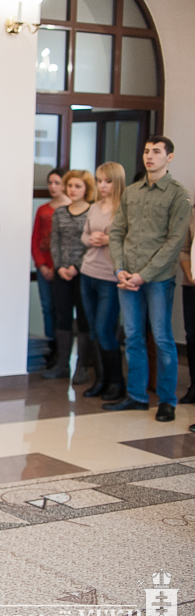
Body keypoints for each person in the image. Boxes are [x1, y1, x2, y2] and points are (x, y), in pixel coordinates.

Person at [105, 136, 192, 421]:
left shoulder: (178, 194)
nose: (149, 156)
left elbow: (174, 242)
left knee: (163, 338)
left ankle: (167, 401)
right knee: (132, 337)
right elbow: (117, 233)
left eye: (156, 151)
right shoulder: (131, 192)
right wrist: (120, 269)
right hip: (127, 277)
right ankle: (137, 396)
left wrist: (144, 275)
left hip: (157, 279)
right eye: (146, 151)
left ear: (170, 157)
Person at [79, 162, 126, 400]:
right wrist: (92, 240)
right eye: (99, 181)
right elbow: (84, 235)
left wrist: (108, 240)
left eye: (107, 181)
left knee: (104, 329)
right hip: (89, 272)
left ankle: (116, 382)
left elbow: (130, 240)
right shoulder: (94, 207)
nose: (102, 185)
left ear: (117, 182)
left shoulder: (124, 209)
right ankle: (101, 380)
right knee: (93, 330)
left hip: (110, 275)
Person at [42, 170, 94, 382]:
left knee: (83, 318)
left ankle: (82, 366)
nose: (73, 190)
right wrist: (60, 267)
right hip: (61, 273)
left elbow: (91, 245)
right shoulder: (60, 213)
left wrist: (76, 267)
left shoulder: (92, 212)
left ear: (87, 189)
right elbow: (54, 242)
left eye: (78, 186)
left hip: (84, 273)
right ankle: (62, 364)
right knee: (62, 317)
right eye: (70, 185)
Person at [32, 168, 70, 368]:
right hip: (44, 267)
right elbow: (35, 240)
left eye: (57, 183)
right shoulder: (43, 209)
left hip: (64, 268)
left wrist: (58, 267)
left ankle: (63, 353)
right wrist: (41, 265)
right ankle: (50, 349)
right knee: (47, 307)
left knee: (62, 309)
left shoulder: (72, 208)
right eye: (50, 183)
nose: (53, 187)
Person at [178, 196, 195, 404]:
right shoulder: (192, 212)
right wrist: (190, 276)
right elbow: (183, 250)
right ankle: (194, 386)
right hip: (191, 285)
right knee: (192, 336)